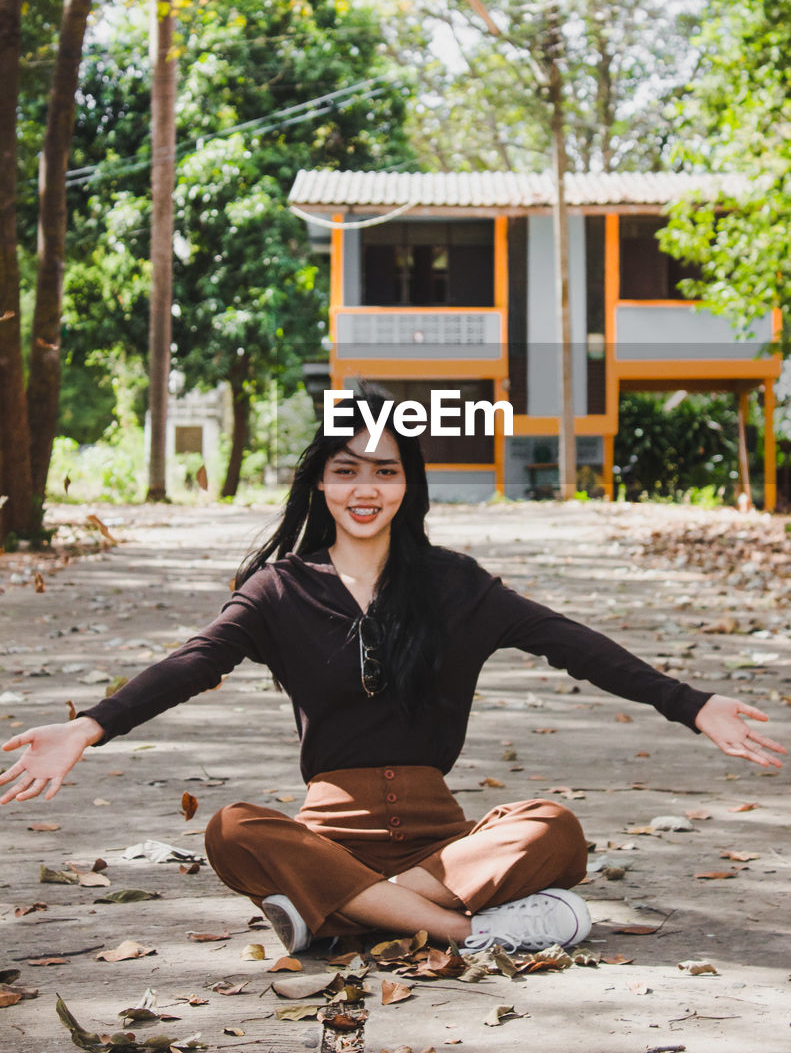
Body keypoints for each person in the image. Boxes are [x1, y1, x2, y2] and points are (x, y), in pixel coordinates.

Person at [1, 390, 786, 957]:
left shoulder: (457, 585)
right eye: (345, 471)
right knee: (234, 827)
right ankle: (462, 931)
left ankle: (344, 916)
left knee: (552, 825)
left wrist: (692, 704)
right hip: (327, 833)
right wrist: (88, 725)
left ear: (408, 485)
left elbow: (572, 643)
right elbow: (194, 661)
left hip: (443, 844)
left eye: (383, 472)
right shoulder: (279, 589)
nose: (364, 489)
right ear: (320, 483)